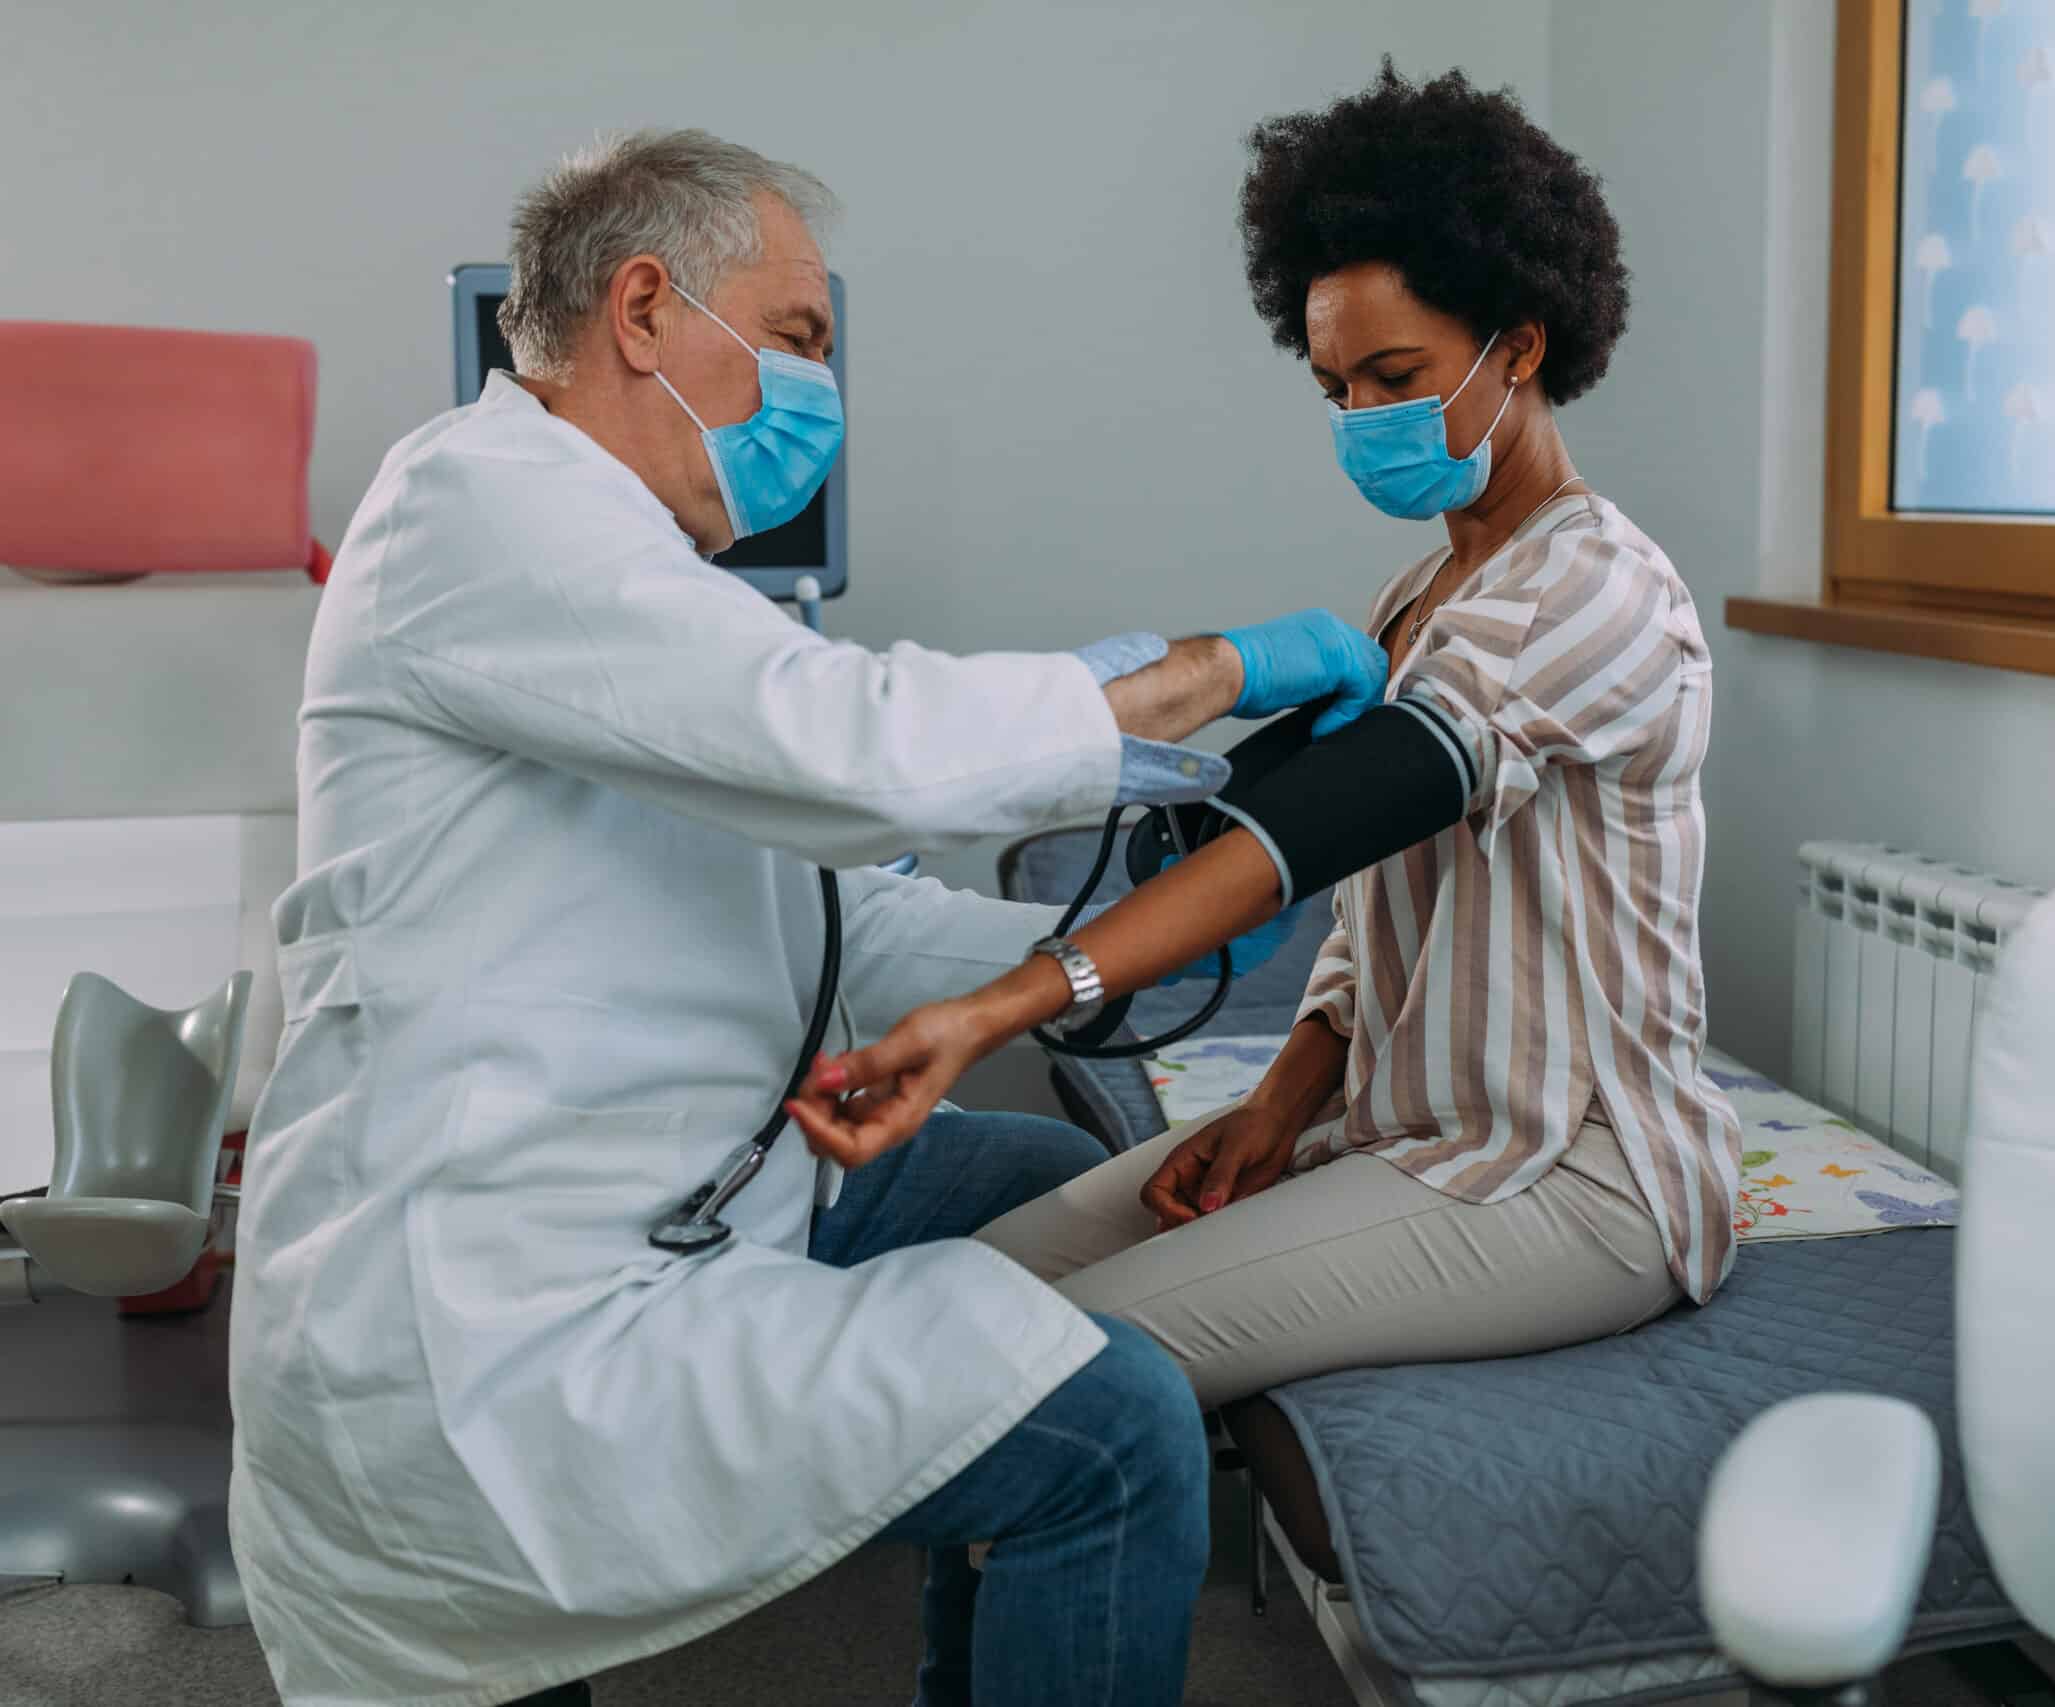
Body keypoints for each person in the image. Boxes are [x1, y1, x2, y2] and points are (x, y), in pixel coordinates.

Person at [227, 129, 1389, 1707]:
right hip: (494, 1311)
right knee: (1109, 1426)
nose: (815, 397)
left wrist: (1154, 936)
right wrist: (1211, 672)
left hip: (691, 1185)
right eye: (795, 342)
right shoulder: (472, 507)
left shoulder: (654, 592)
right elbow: (853, 748)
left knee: (1039, 1180)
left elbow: (844, 932)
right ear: (644, 310)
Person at [795, 64, 1744, 1412]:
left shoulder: (1594, 590)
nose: (1363, 417)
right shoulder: (1419, 596)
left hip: (1575, 1174)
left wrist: (1005, 1005)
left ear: (1522, 346)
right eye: (1338, 386)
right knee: (969, 1291)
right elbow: (1365, 932)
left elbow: (1324, 822)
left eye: (1396, 375)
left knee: (1033, 1373)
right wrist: (1276, 1107)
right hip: (1389, 1132)